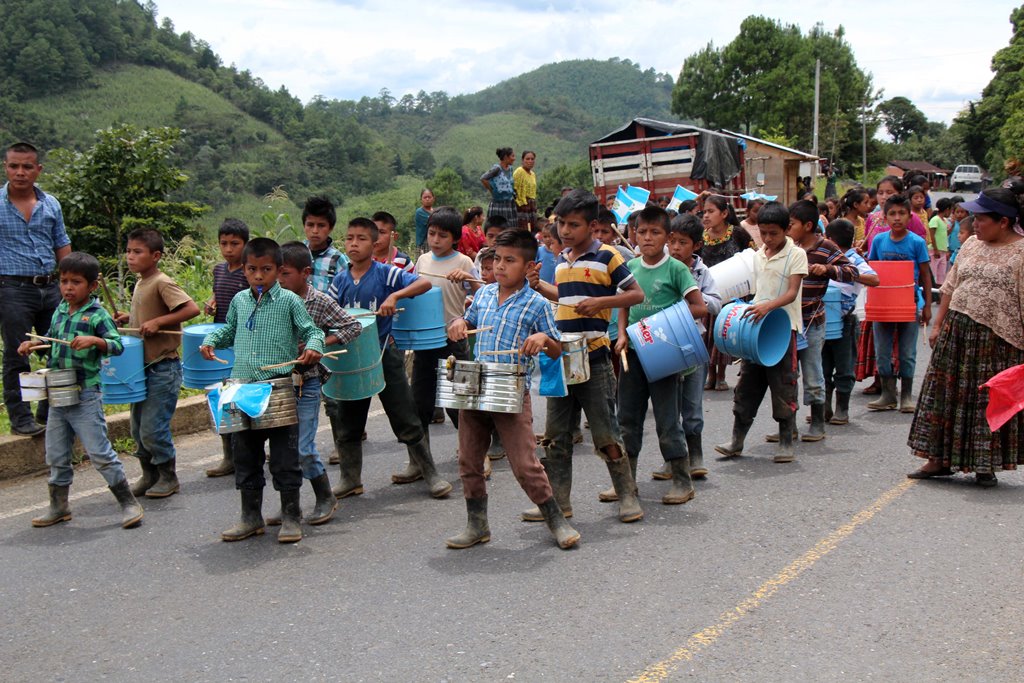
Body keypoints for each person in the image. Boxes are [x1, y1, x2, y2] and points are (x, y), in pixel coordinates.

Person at [445, 229, 580, 549]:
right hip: (476, 386)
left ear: (529, 265)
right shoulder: (484, 294)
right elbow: (467, 320)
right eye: (497, 260)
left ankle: (555, 519)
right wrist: (458, 324)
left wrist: (543, 340)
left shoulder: (537, 304)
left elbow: (558, 350)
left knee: (524, 463)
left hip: (511, 387)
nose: (501, 266)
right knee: (469, 459)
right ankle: (477, 524)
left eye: (510, 260)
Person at [525, 189, 645, 524]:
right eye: (561, 223)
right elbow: (564, 298)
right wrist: (538, 286)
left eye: (573, 225)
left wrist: (601, 303)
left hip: (594, 357)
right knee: (556, 437)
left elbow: (636, 293)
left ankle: (627, 495)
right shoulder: (562, 262)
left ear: (592, 226)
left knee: (606, 433)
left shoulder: (608, 257)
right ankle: (559, 502)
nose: (564, 231)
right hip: (562, 359)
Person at [200, 238, 325, 543]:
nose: (259, 276)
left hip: (278, 389)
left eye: (266, 270)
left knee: (284, 457)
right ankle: (250, 517)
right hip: (243, 389)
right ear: (244, 270)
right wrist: (212, 340)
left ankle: (291, 517)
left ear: (278, 270)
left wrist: (313, 347)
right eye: (252, 269)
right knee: (246, 455)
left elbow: (313, 331)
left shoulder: (290, 302)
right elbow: (230, 329)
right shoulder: (240, 301)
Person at [327, 218, 452, 499]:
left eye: (361, 239)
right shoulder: (339, 280)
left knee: (405, 413)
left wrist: (395, 297)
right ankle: (350, 479)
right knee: (347, 419)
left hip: (384, 353)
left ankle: (429, 472)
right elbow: (330, 311)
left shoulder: (386, 274)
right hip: (350, 358)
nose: (354, 244)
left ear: (375, 244)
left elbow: (422, 284)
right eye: (349, 238)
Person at [908, 185, 1024, 486]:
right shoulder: (972, 244)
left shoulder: (1021, 253)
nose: (975, 224)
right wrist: (937, 324)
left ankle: (985, 465)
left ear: (1004, 221)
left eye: (982, 219)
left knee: (986, 401)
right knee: (944, 396)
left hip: (997, 340)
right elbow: (950, 287)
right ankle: (937, 460)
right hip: (957, 332)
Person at [20, 252, 143, 529]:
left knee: (99, 452)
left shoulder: (97, 315)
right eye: (63, 281)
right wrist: (33, 345)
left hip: (85, 393)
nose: (68, 288)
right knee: (56, 454)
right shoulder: (60, 311)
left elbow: (117, 344)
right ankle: (59, 506)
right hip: (57, 393)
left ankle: (128, 502)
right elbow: (52, 345)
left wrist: (95, 341)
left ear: (92, 286)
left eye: (76, 282)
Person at [614, 206, 708, 505]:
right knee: (627, 418)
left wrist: (662, 322)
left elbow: (700, 306)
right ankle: (626, 484)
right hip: (632, 354)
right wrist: (621, 333)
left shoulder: (676, 269)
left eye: (655, 232)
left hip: (664, 353)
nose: (647, 238)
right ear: (634, 234)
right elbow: (623, 305)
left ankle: (682, 480)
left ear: (667, 237)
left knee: (668, 419)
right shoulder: (631, 269)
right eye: (642, 232)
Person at [270, 242, 361, 526]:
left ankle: (325, 496)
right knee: (280, 449)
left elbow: (352, 326)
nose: (279, 280)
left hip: (305, 382)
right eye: (276, 273)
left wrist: (320, 342)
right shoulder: (269, 299)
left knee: (302, 447)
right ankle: (290, 504)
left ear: (305, 273)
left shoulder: (319, 301)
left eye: (284, 274)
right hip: (275, 382)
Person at [715, 202, 808, 463]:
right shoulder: (758, 254)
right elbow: (752, 289)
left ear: (786, 229)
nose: (767, 238)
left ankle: (786, 440)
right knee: (747, 385)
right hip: (755, 329)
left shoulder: (796, 255)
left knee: (784, 385)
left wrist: (767, 306)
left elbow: (791, 293)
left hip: (782, 329)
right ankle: (737, 440)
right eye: (763, 233)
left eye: (773, 233)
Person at [115, 228, 200, 499]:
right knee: (137, 428)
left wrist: (158, 322)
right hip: (141, 367)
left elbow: (191, 308)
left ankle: (168, 475)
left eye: (137, 252)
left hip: (164, 367)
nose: (130, 256)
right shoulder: (141, 281)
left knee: (153, 428)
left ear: (156, 256)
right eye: (128, 251)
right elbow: (147, 316)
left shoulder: (162, 281)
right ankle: (148, 474)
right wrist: (129, 318)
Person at [1, 142, 71, 436]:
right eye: (14, 166)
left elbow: (61, 244)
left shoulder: (50, 203)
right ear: (6, 167)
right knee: (18, 355)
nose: (20, 172)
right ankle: (21, 418)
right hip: (12, 288)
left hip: (51, 287)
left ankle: (51, 410)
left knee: (59, 348)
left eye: (27, 166)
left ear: (38, 170)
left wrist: (71, 284)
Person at [650, 212, 722, 481]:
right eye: (673, 241)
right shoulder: (659, 268)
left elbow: (714, 303)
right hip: (662, 345)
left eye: (683, 243)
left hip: (692, 344)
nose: (676, 248)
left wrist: (691, 300)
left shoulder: (703, 273)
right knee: (666, 406)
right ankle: (672, 459)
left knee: (692, 405)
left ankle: (697, 456)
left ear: (697, 246)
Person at [785, 201, 857, 443]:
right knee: (788, 374)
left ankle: (817, 422)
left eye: (792, 224)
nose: (788, 228)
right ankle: (788, 425)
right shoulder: (787, 247)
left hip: (813, 321)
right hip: (787, 322)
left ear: (807, 225)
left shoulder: (826, 247)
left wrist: (826, 269)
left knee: (813, 371)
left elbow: (851, 272)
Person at [411, 208, 480, 433]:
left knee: (459, 403)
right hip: (425, 340)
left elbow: (481, 298)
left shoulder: (464, 262)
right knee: (420, 402)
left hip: (453, 339)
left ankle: (475, 455)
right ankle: (419, 463)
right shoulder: (421, 260)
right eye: (432, 234)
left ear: (455, 238)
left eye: (443, 235)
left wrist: (469, 278)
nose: (435, 240)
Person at [866, 194, 932, 413]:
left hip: (909, 303)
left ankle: (906, 396)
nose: (897, 218)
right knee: (883, 351)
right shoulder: (878, 241)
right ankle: (887, 393)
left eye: (901, 213)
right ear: (885, 217)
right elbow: (872, 270)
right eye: (892, 214)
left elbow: (925, 275)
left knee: (907, 352)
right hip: (883, 303)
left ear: (909, 215)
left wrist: (928, 306)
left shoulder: (917, 242)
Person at [204, 218, 250, 478]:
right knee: (222, 399)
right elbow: (217, 296)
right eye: (224, 243)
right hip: (222, 341)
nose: (229, 249)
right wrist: (211, 303)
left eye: (235, 244)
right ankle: (229, 455)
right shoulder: (219, 270)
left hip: (243, 342)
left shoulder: (248, 272)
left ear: (245, 244)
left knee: (240, 396)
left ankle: (247, 450)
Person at [821, 218, 878, 426]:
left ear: (830, 239)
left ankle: (842, 409)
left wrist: (847, 273)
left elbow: (874, 279)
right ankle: (823, 407)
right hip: (822, 319)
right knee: (823, 366)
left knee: (844, 367)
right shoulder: (824, 257)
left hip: (845, 321)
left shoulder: (853, 259)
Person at [699, 195, 754, 391]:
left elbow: (751, 258)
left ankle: (721, 374)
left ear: (724, 213)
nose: (706, 215)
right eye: (704, 211)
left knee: (723, 332)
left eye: (710, 211)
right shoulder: (701, 237)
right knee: (707, 335)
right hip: (708, 292)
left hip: (732, 292)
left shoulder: (738, 234)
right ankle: (710, 374)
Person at [302, 196, 348, 293]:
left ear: (330, 228)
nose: (315, 231)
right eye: (310, 225)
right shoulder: (294, 254)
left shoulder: (338, 260)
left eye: (321, 225)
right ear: (304, 226)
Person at [480, 147, 517, 226]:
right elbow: (483, 178)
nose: (514, 158)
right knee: (498, 227)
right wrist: (492, 190)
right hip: (499, 204)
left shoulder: (510, 169)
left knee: (509, 227)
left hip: (509, 204)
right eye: (512, 156)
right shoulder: (497, 169)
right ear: (506, 157)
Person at [928, 198, 952, 285]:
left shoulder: (945, 221)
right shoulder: (935, 219)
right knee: (933, 272)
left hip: (942, 250)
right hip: (935, 250)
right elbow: (932, 235)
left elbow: (945, 234)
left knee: (941, 274)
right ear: (947, 209)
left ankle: (938, 292)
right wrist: (935, 249)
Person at [513, 151, 538, 231]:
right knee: (522, 229)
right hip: (522, 205)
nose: (530, 161)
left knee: (532, 228)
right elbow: (514, 188)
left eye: (532, 159)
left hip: (531, 204)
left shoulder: (533, 174)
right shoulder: (519, 171)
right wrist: (520, 204)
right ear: (522, 160)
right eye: (527, 159)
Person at [414, 188, 434, 253]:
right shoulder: (419, 212)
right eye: (425, 197)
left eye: (429, 197)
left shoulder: (434, 211)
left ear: (433, 198)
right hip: (422, 243)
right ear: (421, 200)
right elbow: (433, 222)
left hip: (432, 241)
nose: (427, 199)